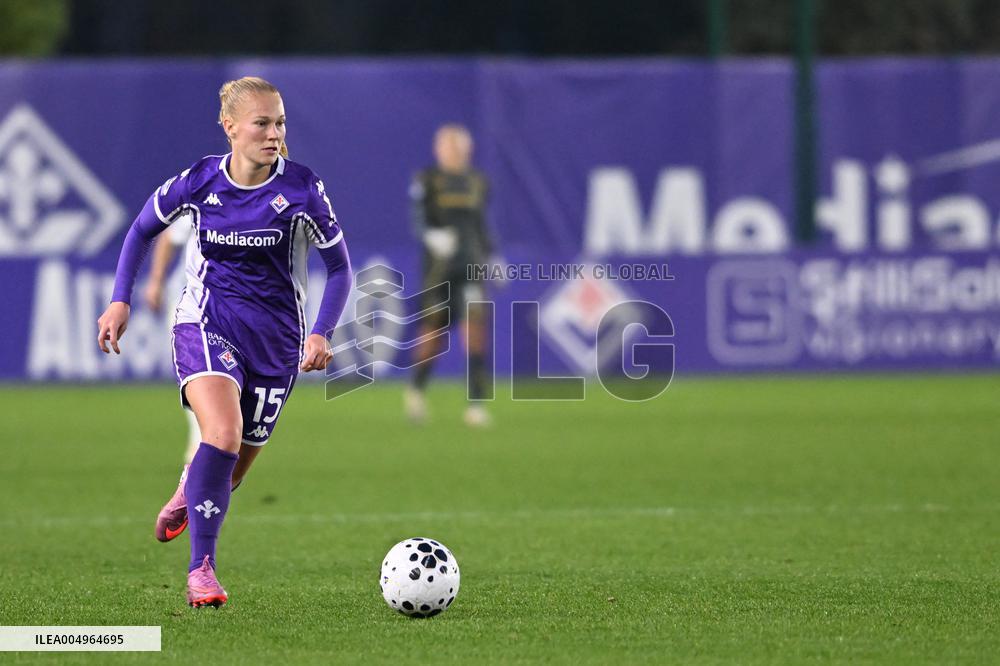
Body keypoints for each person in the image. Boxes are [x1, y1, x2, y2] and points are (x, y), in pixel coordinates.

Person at [97, 76, 352, 608]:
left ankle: (190, 486)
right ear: (230, 127)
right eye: (262, 123)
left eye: (280, 122)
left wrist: (322, 331)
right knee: (224, 431)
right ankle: (202, 571)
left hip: (278, 342)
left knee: (230, 469)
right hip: (206, 322)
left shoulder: (303, 189)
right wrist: (120, 298)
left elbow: (340, 268)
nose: (274, 134)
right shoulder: (199, 182)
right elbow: (141, 229)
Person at [405, 124, 496, 427]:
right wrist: (432, 235)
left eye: (459, 147)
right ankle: (416, 389)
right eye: (448, 146)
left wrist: (493, 255)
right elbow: (418, 219)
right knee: (433, 332)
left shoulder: (477, 182)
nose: (454, 152)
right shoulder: (427, 180)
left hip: (471, 266)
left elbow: (481, 223)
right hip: (439, 269)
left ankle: (476, 402)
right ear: (439, 150)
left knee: (474, 329)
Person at [144, 219, 202, 464]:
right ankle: (199, 442)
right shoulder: (207, 190)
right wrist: (156, 280)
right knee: (195, 375)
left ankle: (204, 443)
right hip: (187, 302)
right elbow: (169, 237)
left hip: (231, 307)